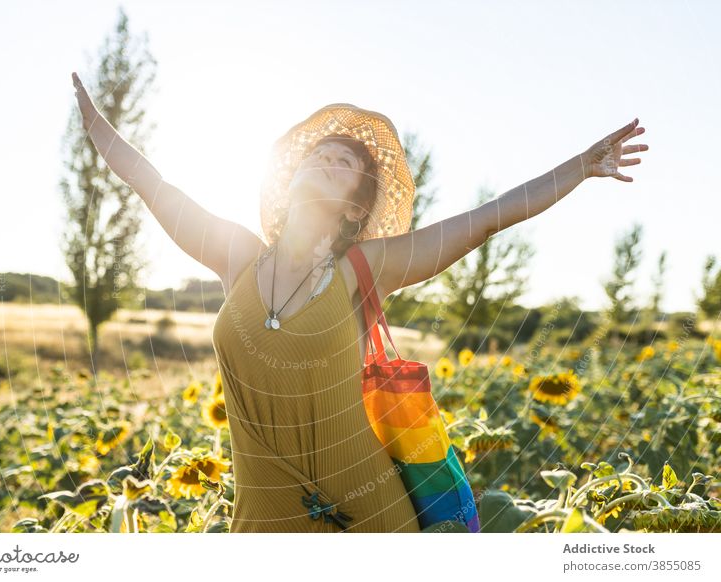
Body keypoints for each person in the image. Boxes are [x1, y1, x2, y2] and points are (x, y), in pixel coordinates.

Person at [71, 72, 648, 532]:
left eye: (342, 163)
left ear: (354, 208)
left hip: (369, 521)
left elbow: (486, 219)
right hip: (261, 523)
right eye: (316, 156)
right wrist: (98, 130)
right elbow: (155, 187)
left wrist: (580, 167)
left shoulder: (362, 270)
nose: (323, 160)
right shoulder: (237, 256)